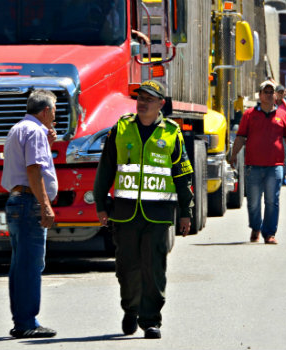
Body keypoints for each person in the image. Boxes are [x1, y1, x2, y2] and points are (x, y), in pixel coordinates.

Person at [93, 80, 194, 339]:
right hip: (125, 213)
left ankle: (151, 320)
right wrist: (101, 205)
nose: (143, 102)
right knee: (127, 267)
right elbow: (105, 169)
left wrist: (186, 212)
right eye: (140, 98)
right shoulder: (121, 128)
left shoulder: (172, 133)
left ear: (161, 103)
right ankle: (131, 309)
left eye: (149, 99)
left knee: (154, 268)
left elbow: (183, 176)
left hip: (158, 215)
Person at [1, 89, 58, 339]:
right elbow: (33, 169)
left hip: (18, 199)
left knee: (21, 263)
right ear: (45, 111)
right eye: (54, 111)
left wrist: (49, 143)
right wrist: (45, 204)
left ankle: (22, 320)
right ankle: (26, 322)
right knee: (30, 264)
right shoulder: (35, 131)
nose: (55, 115)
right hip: (28, 201)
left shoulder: (20, 128)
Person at [229, 80, 286, 245]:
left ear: (276, 95)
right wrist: (233, 155)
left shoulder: (282, 115)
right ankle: (256, 227)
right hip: (253, 165)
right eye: (265, 92)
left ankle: (269, 233)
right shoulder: (249, 115)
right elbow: (240, 137)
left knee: (272, 200)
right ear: (260, 95)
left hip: (274, 166)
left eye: (271, 92)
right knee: (253, 201)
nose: (268, 95)